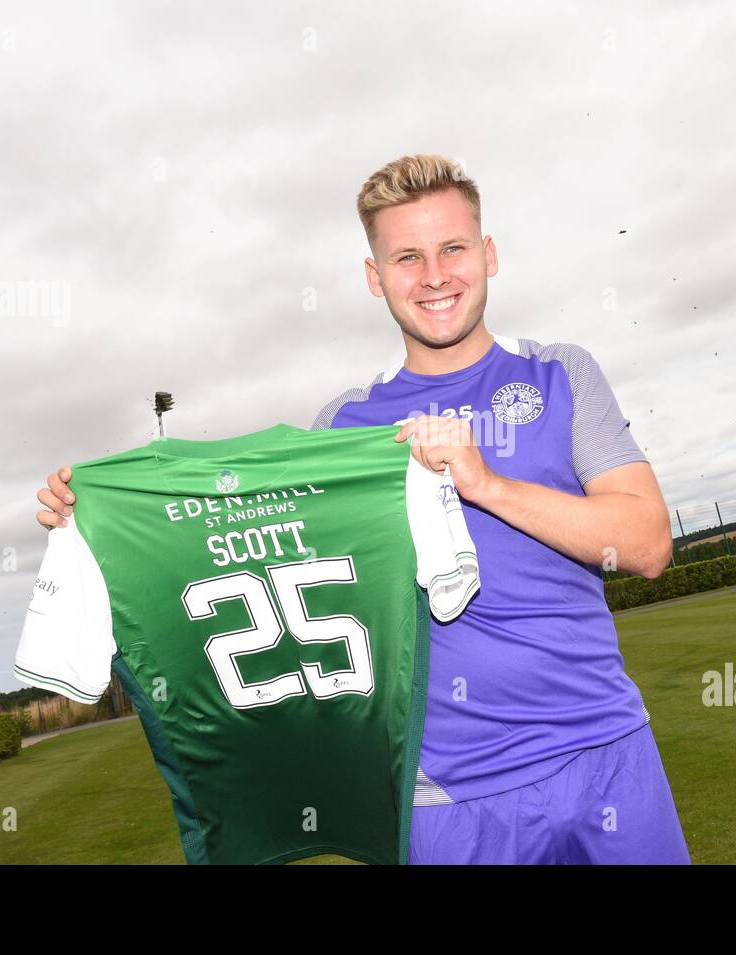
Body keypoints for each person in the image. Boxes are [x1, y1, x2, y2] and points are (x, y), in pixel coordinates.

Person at [35, 154, 690, 864]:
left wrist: (485, 483)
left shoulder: (559, 372)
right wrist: (98, 523)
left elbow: (648, 543)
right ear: (375, 277)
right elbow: (238, 536)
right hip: (444, 797)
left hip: (606, 756)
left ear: (489, 254)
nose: (434, 275)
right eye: (407, 256)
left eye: (453, 248)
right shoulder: (347, 429)